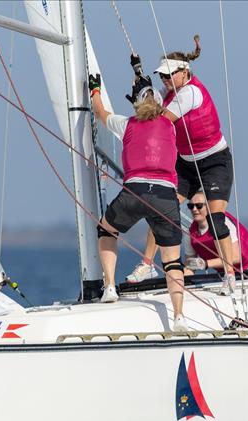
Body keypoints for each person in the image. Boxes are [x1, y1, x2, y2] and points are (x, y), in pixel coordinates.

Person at [125, 39, 237, 296]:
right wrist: (141, 91)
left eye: (168, 75)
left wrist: (143, 101)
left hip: (214, 162)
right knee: (161, 210)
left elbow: (161, 120)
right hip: (186, 163)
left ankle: (230, 276)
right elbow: (155, 116)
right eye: (161, 76)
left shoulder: (190, 93)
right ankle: (147, 264)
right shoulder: (170, 93)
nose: (164, 79)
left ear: (184, 72)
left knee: (216, 220)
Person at [88, 73, 187, 332]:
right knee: (172, 261)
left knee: (106, 229)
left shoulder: (127, 123)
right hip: (165, 195)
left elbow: (100, 112)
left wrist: (95, 90)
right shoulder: (170, 125)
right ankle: (178, 317)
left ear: (136, 104)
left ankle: (109, 286)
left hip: (135, 191)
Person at [183, 191, 248, 278]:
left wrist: (205, 264)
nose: (194, 209)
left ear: (209, 206)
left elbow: (236, 257)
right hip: (224, 274)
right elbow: (190, 265)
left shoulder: (223, 224)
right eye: (190, 206)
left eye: (199, 205)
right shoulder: (190, 233)